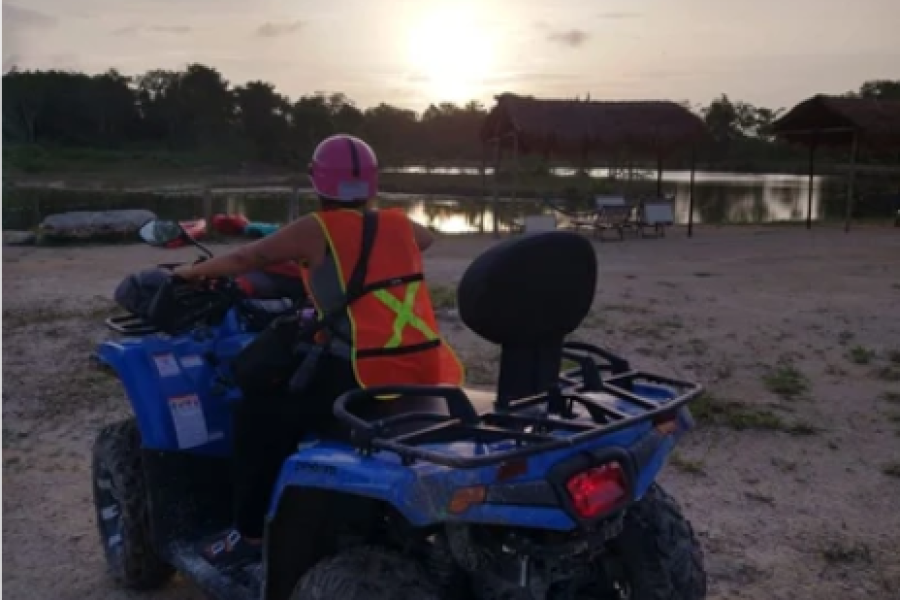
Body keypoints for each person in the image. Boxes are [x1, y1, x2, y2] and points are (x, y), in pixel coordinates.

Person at [171, 134, 464, 568]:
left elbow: (242, 261)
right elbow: (426, 239)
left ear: (317, 182)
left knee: (257, 414)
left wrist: (187, 273)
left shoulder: (316, 229)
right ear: (372, 183)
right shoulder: (401, 225)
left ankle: (249, 534)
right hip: (422, 367)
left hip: (361, 373)